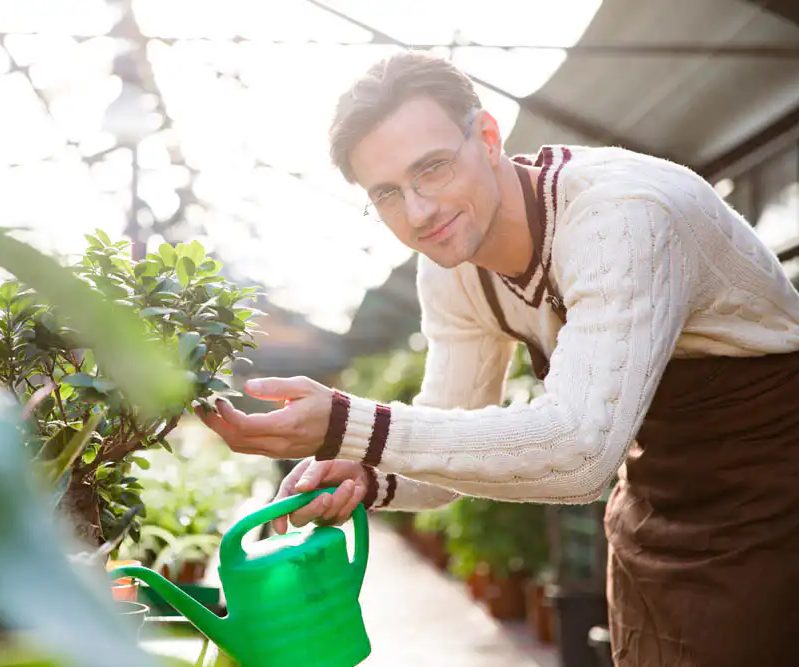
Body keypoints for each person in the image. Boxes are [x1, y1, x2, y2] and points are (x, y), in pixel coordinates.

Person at [199, 50, 799, 665]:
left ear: (487, 137)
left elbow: (581, 451)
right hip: (655, 512)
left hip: (778, 500)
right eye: (387, 194)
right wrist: (367, 474)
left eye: (432, 168)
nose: (419, 211)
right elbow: (447, 442)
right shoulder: (452, 276)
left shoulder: (624, 216)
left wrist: (348, 425)